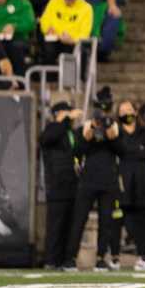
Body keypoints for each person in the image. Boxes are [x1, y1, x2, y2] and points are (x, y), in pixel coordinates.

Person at [63, 86, 122, 271]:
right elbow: (77, 151)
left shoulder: (114, 128)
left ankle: (100, 258)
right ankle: (70, 257)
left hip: (108, 181)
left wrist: (111, 136)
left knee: (106, 222)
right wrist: (87, 135)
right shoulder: (86, 127)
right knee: (78, 220)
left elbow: (122, 150)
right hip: (88, 181)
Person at [115, 99, 145, 271]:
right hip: (124, 185)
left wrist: (127, 151)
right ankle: (114, 257)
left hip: (143, 184)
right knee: (126, 222)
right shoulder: (116, 132)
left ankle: (144, 257)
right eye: (123, 111)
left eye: (129, 110)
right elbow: (120, 150)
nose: (127, 114)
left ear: (136, 112)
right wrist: (132, 150)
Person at [40, 100, 83, 270]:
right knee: (55, 225)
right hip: (57, 185)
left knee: (70, 226)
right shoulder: (52, 129)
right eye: (67, 113)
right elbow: (47, 139)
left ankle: (66, 259)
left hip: (73, 184)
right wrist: (62, 120)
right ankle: (51, 260)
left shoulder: (70, 132)